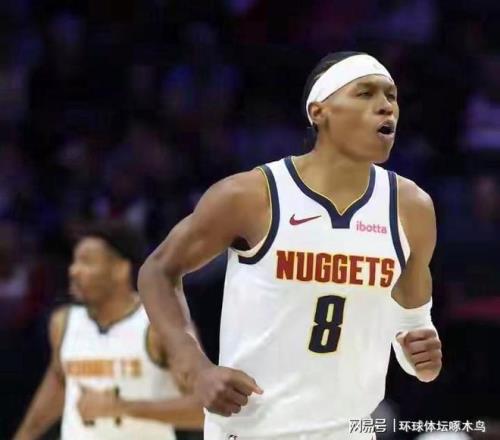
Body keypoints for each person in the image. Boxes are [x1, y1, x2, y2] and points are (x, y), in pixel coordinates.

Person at [138, 52, 443, 440]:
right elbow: (158, 271)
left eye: (391, 95)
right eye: (365, 93)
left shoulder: (412, 207)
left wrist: (418, 349)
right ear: (319, 112)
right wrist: (194, 369)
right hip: (253, 430)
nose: (386, 106)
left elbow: (412, 323)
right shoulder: (251, 195)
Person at [14, 221, 204, 440]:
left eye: (86, 262)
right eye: (74, 261)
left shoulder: (159, 323)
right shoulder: (63, 323)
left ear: (120, 269)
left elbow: (205, 410)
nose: (73, 270)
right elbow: (58, 384)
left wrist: (122, 407)